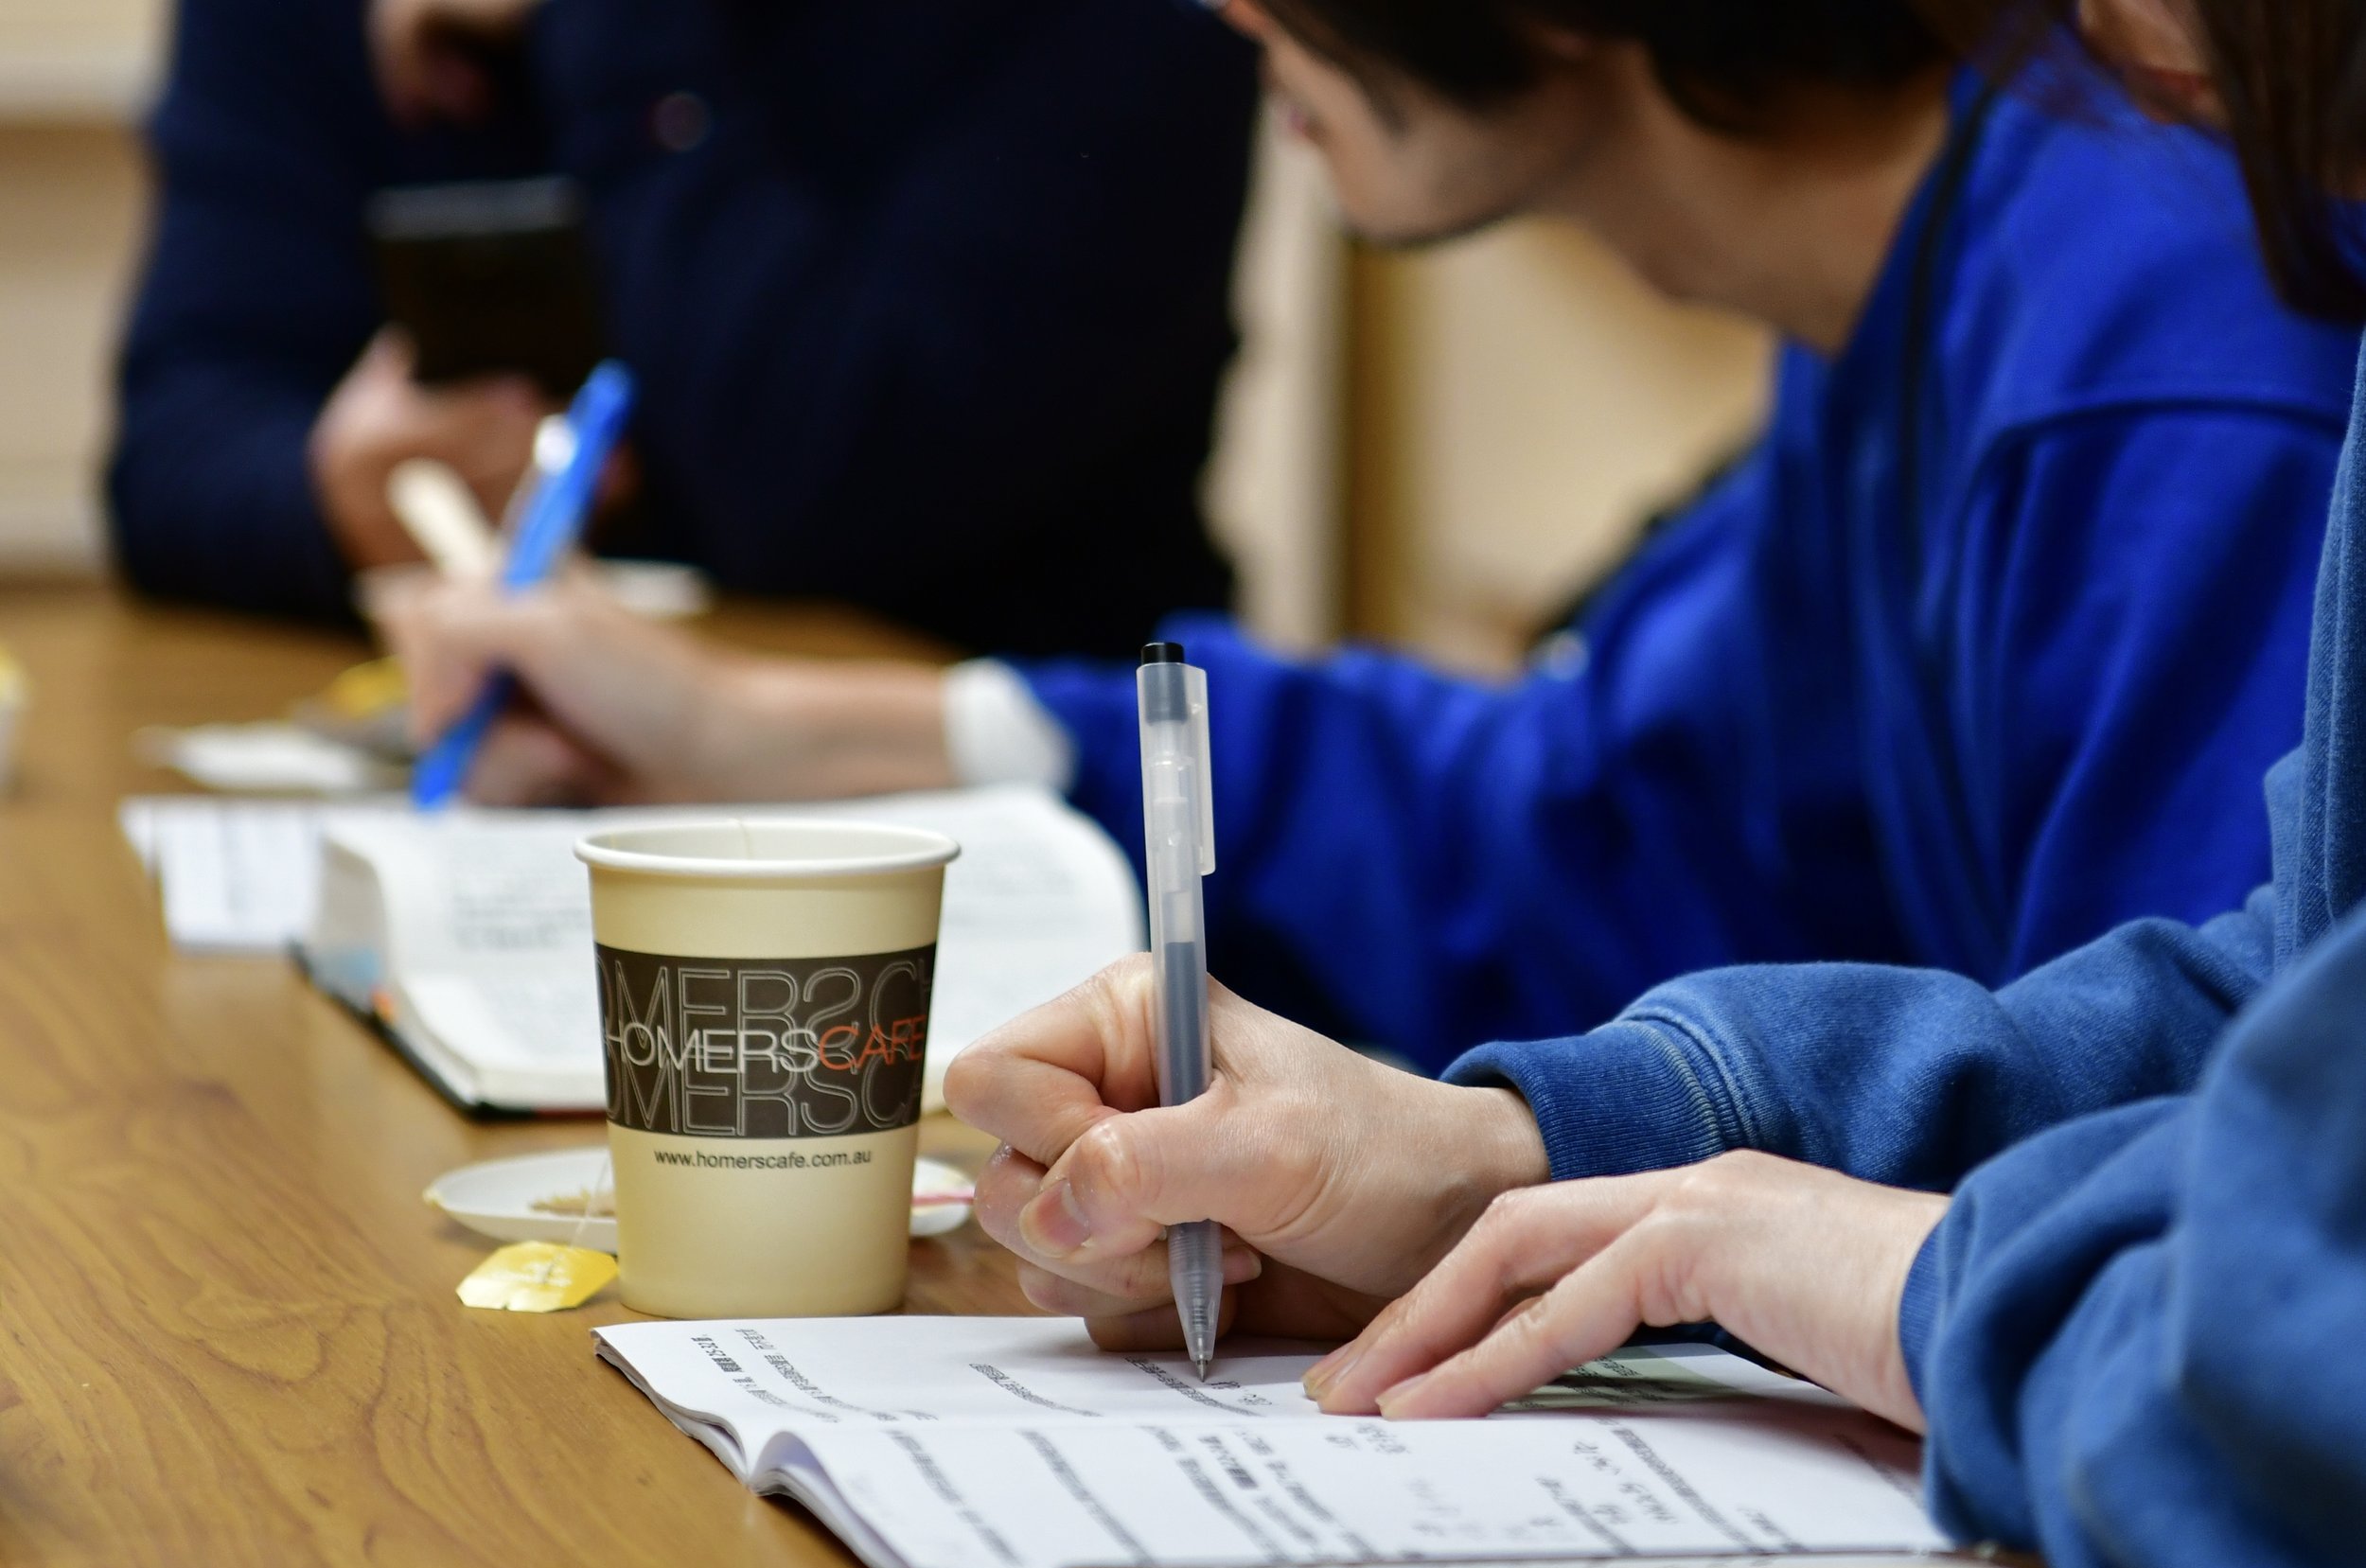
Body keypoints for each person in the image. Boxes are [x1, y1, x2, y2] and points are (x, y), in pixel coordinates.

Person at [949, 0, 2366, 1565]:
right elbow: (2271, 1012)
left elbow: (2267, 1262)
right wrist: (1516, 1164)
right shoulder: (1943, 287)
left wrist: (1910, 1279)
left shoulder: (2169, 324)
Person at [389, 0, 2358, 1073]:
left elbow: (2187, 1157)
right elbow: (1595, 828)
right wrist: (797, 734)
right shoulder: (1945, 283)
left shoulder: (2152, 333)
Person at [108, 0, 1258, 656]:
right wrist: (329, 493)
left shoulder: (1122, 30)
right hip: (455, 786)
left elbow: (826, 488)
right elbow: (169, 449)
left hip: (1005, 846)